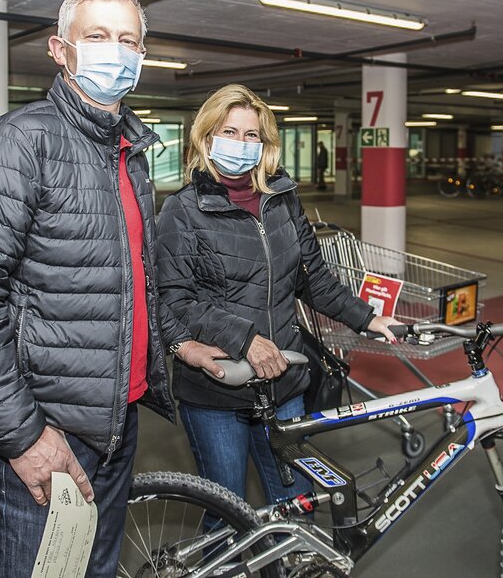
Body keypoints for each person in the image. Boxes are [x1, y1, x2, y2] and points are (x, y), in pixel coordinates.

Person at [0, 0, 208, 578]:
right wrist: (24, 437)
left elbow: (134, 281)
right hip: (49, 425)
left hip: (117, 416)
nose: (116, 51)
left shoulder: (129, 153)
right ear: (60, 50)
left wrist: (179, 346)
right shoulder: (14, 145)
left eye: (128, 40)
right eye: (98, 36)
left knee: (99, 567)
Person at [155, 84, 400, 505]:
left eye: (252, 135)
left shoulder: (283, 199)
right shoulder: (183, 209)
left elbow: (313, 278)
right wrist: (245, 339)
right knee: (227, 510)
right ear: (206, 136)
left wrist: (368, 318)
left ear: (265, 144)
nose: (241, 144)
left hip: (283, 381)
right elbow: (175, 298)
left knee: (296, 503)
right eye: (229, 132)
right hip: (217, 387)